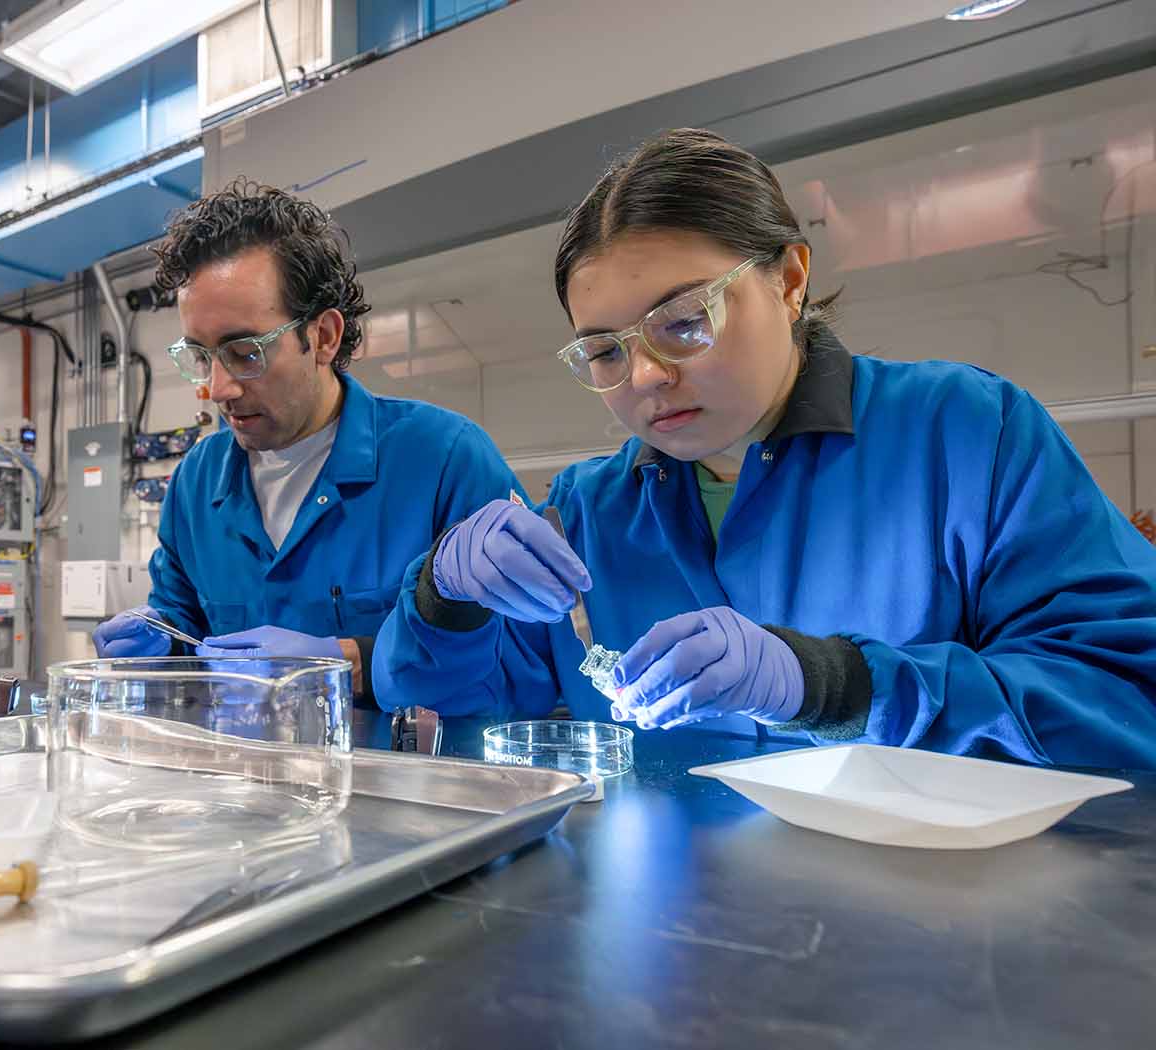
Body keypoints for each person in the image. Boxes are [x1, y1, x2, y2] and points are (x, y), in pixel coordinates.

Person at [373, 128, 1156, 768]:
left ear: (789, 280)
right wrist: (444, 596)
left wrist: (836, 686)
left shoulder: (966, 435)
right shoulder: (590, 511)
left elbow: (1124, 699)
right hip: (663, 933)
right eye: (605, 352)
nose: (646, 374)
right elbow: (455, 714)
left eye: (684, 321)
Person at [94, 179, 521, 706]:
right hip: (242, 778)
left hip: (405, 782)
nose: (217, 389)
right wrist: (157, 638)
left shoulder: (444, 459)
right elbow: (183, 618)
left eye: (245, 352)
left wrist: (344, 661)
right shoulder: (196, 480)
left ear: (323, 337)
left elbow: (524, 665)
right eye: (201, 357)